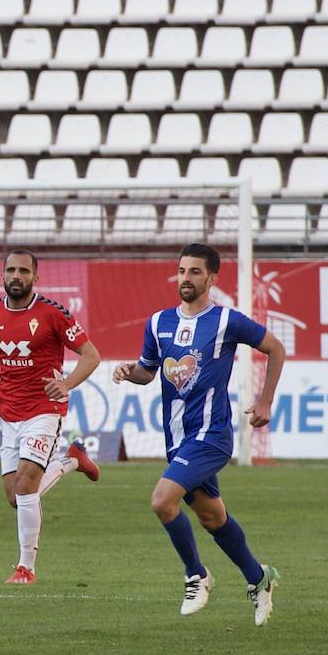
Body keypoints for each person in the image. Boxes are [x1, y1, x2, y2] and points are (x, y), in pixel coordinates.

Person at [112, 243, 284, 625]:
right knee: (212, 517)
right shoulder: (158, 323)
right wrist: (129, 372)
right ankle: (259, 578)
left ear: (211, 278)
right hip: (177, 438)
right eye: (181, 271)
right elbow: (148, 370)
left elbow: (275, 348)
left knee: (161, 501)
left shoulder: (226, 320)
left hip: (212, 435)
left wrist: (265, 401)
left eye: (194, 272)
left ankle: (197, 576)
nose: (185, 278)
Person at [0, 250, 102, 584]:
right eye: (11, 270)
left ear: (36, 277)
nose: (16, 276)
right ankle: (71, 461)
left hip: (44, 410)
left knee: (25, 486)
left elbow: (91, 356)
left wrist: (65, 384)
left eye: (24, 271)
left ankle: (26, 568)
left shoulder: (53, 314)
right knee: (15, 496)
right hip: (8, 412)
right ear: (2, 276)